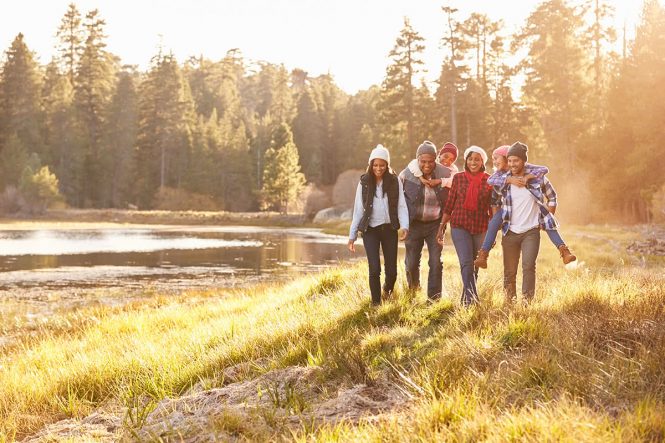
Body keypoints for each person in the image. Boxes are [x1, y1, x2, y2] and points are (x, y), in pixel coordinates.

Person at [474, 143, 576, 268]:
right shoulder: (500, 175)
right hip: (506, 210)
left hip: (530, 210)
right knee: (494, 222)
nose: (494, 161)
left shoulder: (526, 169)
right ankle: (483, 254)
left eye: (496, 158)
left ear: (506, 158)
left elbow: (543, 169)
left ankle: (564, 250)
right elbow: (491, 182)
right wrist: (509, 180)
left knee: (548, 223)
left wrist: (528, 176)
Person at [491, 142, 565, 304]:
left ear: (524, 161)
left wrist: (546, 218)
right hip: (509, 232)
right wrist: (499, 221)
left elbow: (552, 197)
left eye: (516, 160)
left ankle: (527, 302)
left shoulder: (537, 179)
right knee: (509, 271)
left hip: (531, 231)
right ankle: (509, 302)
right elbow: (494, 201)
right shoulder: (503, 181)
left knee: (528, 266)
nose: (512, 164)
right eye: (509, 161)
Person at [348, 144, 409, 306]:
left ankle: (387, 291)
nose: (378, 168)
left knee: (392, 272)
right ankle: (376, 304)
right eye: (375, 165)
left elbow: (401, 206)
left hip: (389, 229)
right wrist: (352, 235)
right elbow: (358, 210)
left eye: (382, 165)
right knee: (374, 269)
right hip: (370, 231)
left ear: (387, 165)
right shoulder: (364, 182)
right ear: (370, 165)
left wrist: (404, 226)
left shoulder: (395, 181)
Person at [436, 146, 492, 307]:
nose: (473, 162)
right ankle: (473, 301)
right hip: (460, 226)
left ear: (482, 162)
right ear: (466, 160)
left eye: (477, 159)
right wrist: (441, 227)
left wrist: (492, 235)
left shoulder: (489, 180)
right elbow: (449, 204)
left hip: (481, 227)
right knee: (466, 263)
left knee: (475, 266)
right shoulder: (459, 178)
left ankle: (465, 300)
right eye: (470, 159)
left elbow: (491, 209)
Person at [399, 140, 452, 302]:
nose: (427, 165)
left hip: (435, 224)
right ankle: (413, 289)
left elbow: (457, 183)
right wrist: (402, 224)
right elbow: (398, 200)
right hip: (413, 223)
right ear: (417, 160)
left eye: (430, 161)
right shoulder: (406, 174)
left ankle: (434, 298)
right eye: (423, 161)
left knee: (436, 261)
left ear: (435, 159)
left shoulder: (445, 173)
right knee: (412, 262)